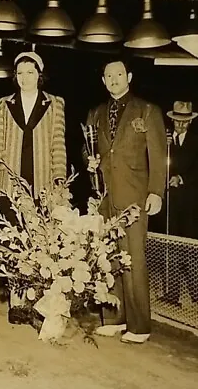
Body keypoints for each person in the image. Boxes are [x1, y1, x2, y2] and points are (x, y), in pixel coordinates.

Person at [85, 59, 167, 344]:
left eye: (119, 74)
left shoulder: (147, 110)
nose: (114, 79)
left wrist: (156, 191)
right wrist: (89, 162)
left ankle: (140, 325)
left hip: (134, 197)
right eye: (109, 75)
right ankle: (115, 319)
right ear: (103, 81)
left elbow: (158, 155)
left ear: (129, 76)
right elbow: (88, 151)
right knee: (107, 258)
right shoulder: (95, 113)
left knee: (134, 259)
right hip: (104, 198)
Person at [0, 51, 67, 219]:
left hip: (43, 187)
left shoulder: (55, 104)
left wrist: (60, 184)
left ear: (39, 75)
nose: (25, 78)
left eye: (30, 72)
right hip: (9, 187)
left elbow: (58, 146)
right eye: (20, 73)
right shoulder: (4, 104)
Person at [159, 101, 198, 306]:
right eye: (177, 122)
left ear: (190, 123)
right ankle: (172, 295)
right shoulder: (165, 142)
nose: (180, 126)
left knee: (190, 250)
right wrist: (164, 148)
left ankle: (196, 294)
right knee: (170, 247)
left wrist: (181, 178)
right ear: (172, 120)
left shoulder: (196, 142)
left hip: (190, 205)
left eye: (184, 123)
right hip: (170, 204)